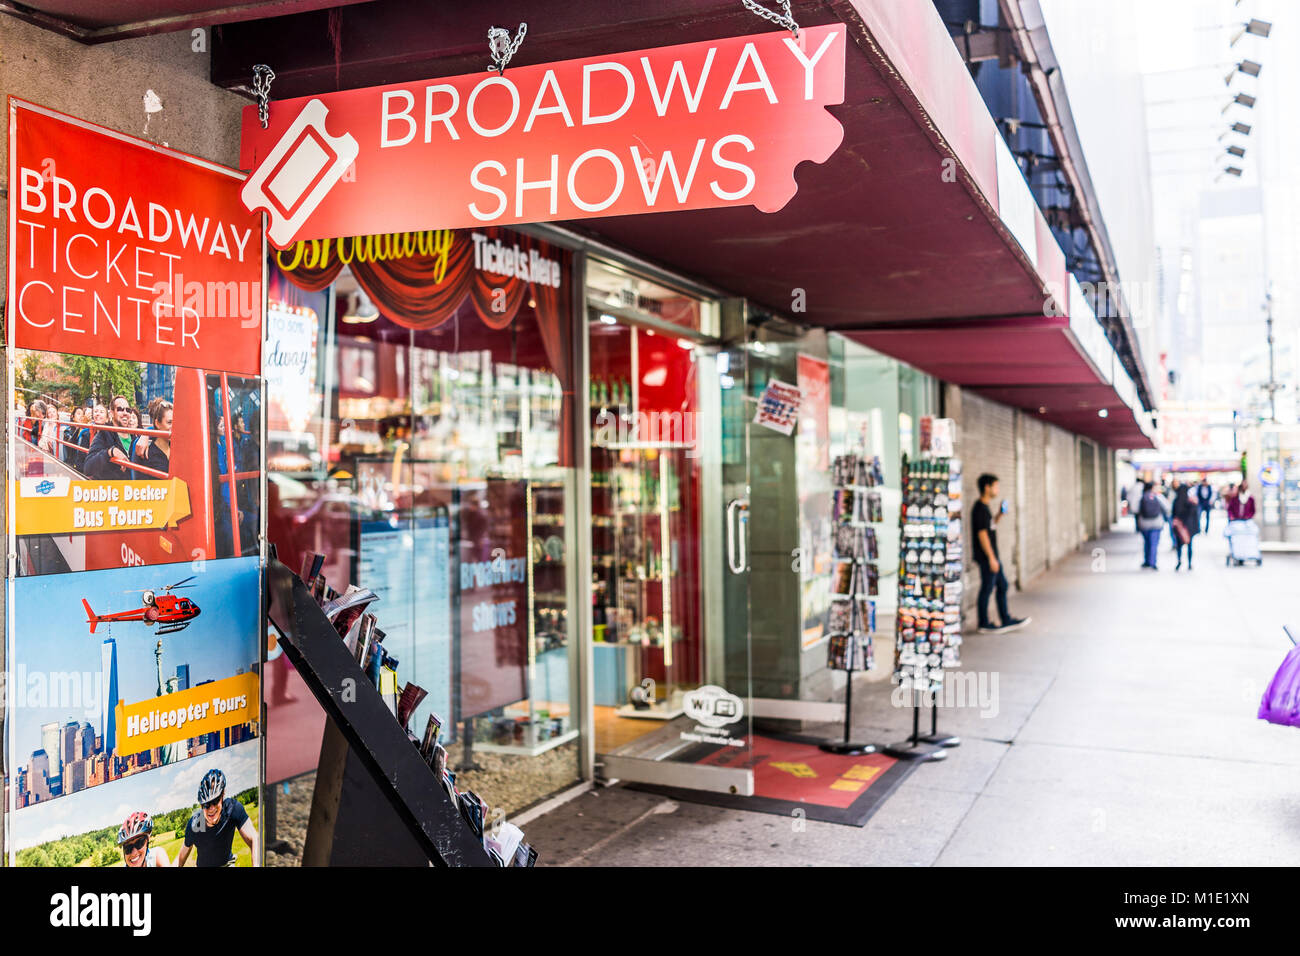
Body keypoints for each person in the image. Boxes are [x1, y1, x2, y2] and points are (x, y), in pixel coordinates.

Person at [971, 473, 1030, 633]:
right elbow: (982, 535)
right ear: (987, 487)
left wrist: (999, 515)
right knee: (988, 588)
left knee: (1002, 585)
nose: (997, 489)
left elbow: (989, 527)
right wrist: (991, 558)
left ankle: (1005, 619)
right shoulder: (979, 509)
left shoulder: (985, 508)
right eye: (995, 486)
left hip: (991, 557)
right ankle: (984, 623)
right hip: (987, 557)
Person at [175, 768, 259, 868]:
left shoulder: (232, 809)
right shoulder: (196, 823)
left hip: (226, 863)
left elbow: (254, 838)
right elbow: (182, 856)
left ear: (223, 795)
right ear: (201, 805)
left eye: (215, 801)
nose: (211, 808)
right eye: (206, 804)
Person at [84, 395, 136, 479]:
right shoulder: (104, 434)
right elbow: (88, 468)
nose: (125, 413)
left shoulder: (135, 436)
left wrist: (145, 436)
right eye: (120, 409)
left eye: (128, 410)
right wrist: (110, 452)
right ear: (112, 413)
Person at [134, 398, 173, 474]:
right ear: (157, 423)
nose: (174, 426)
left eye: (176, 422)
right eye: (169, 422)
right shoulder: (147, 454)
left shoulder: (177, 448)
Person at [1136, 481, 1168, 569]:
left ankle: (1147, 561)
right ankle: (1153, 562)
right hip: (1156, 523)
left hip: (1144, 523)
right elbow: (1167, 507)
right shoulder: (1158, 496)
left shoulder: (1142, 497)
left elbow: (1135, 509)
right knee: (1154, 544)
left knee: (1146, 543)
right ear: (1153, 488)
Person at [1171, 484, 1199, 571]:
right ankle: (1190, 563)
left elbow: (1173, 515)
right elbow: (1195, 515)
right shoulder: (1190, 502)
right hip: (1189, 528)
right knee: (1190, 546)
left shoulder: (1176, 501)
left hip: (1179, 527)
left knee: (1179, 546)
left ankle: (1179, 561)